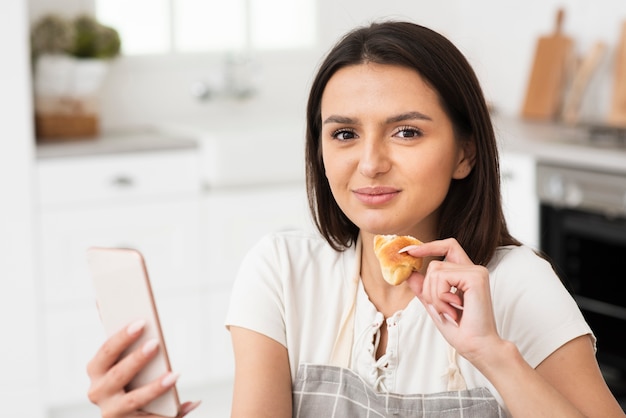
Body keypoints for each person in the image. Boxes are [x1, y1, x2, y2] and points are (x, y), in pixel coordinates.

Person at [85, 20, 625, 418]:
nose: (369, 163)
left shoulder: (516, 285)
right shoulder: (281, 272)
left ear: (466, 153)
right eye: (344, 133)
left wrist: (494, 355)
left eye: (406, 132)